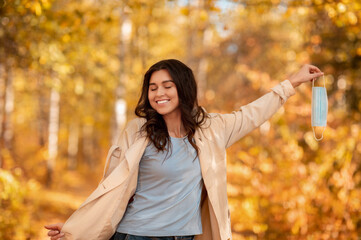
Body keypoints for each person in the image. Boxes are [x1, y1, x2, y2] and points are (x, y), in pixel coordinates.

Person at [45, 59, 324, 240]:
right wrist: (74, 230)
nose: (158, 93)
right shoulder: (137, 131)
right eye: (152, 87)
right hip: (135, 235)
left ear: (183, 88)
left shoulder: (212, 129)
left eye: (167, 85)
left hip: (185, 237)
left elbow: (253, 114)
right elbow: (109, 189)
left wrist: (292, 82)